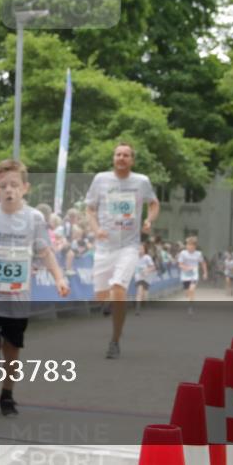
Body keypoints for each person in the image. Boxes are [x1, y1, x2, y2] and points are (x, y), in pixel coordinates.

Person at [0, 159, 70, 415]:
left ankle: (7, 394)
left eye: (14, 185)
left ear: (25, 188)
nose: (9, 190)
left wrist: (59, 278)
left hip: (18, 296)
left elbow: (45, 251)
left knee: (13, 348)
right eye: (3, 185)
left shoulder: (34, 218)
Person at [85, 142, 159, 359]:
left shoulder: (141, 181)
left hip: (128, 245)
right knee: (100, 296)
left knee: (119, 289)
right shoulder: (101, 179)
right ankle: (106, 299)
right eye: (118, 154)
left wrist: (148, 219)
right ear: (113, 158)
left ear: (132, 160)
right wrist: (96, 228)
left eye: (126, 155)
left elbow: (154, 203)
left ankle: (115, 341)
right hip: (104, 246)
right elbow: (89, 208)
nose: (121, 158)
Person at [177, 236, 208, 312]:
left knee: (192, 289)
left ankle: (190, 306)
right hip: (185, 275)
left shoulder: (198, 254)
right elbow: (180, 264)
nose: (189, 246)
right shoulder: (183, 253)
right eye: (188, 245)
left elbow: (203, 263)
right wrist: (186, 267)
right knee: (187, 292)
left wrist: (205, 273)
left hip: (194, 274)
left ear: (195, 246)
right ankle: (189, 297)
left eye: (191, 245)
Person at [133, 241, 156, 315]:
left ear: (144, 249)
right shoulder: (134, 257)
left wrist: (147, 270)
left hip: (146, 277)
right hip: (138, 277)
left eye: (141, 249)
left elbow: (153, 267)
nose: (140, 250)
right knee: (139, 292)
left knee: (144, 295)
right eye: (138, 248)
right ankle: (137, 309)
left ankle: (145, 303)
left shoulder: (147, 257)